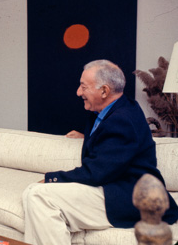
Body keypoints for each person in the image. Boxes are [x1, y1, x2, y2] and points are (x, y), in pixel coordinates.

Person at [22, 60, 178, 245]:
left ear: (104, 91)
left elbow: (96, 172)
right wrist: (89, 137)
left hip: (132, 195)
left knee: (39, 196)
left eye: (83, 87)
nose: (78, 92)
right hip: (114, 185)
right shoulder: (116, 109)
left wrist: (52, 178)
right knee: (33, 191)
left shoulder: (122, 120)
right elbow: (113, 143)